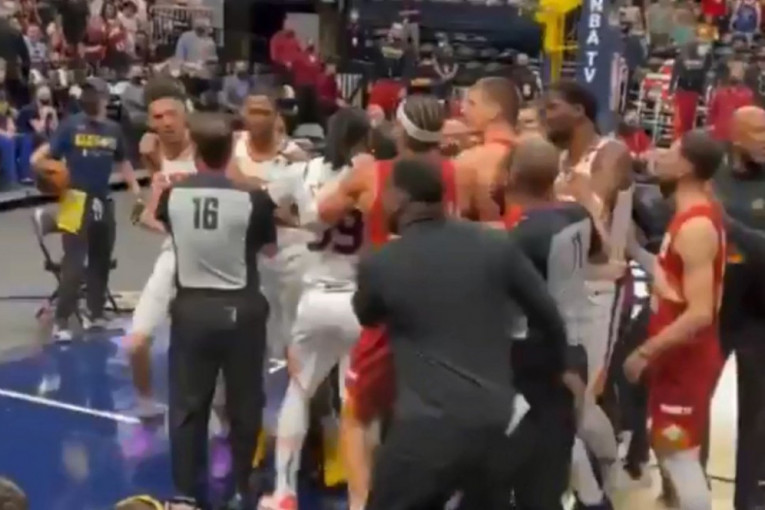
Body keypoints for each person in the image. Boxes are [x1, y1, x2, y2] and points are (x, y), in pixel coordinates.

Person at [352, 156, 567, 510]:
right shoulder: (496, 245)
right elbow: (550, 317)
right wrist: (555, 373)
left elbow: (366, 314)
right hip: (498, 428)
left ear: (397, 198)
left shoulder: (383, 262)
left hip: (425, 434)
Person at [316, 94, 459, 510]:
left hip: (388, 305)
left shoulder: (371, 173)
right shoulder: (460, 172)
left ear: (399, 130)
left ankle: (360, 502)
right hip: (441, 310)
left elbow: (324, 211)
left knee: (358, 414)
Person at [154, 112, 276, 509]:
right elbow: (269, 250)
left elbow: (168, 228)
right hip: (241, 310)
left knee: (188, 407)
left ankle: (186, 494)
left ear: (194, 149)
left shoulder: (173, 196)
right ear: (230, 151)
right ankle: (243, 487)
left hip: (192, 309)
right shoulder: (253, 198)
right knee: (245, 404)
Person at [260, 107, 372, 510]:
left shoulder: (302, 172)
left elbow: (261, 201)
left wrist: (294, 222)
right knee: (357, 404)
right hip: (359, 299)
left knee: (298, 390)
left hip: (315, 297)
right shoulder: (369, 174)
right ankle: (362, 496)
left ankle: (283, 490)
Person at [624, 129, 726, 510]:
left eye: (671, 151)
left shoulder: (696, 226)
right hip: (675, 356)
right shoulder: (689, 213)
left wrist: (645, 352)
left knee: (679, 455)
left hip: (686, 359)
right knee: (669, 448)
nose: (660, 154)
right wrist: (633, 249)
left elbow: (700, 312)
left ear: (686, 167)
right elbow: (674, 280)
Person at [543, 80, 634, 508]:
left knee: (579, 401)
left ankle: (605, 476)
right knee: (561, 396)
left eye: (552, 108)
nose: (544, 116)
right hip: (560, 284)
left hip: (600, 288)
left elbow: (596, 211)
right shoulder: (558, 159)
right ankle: (597, 483)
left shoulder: (611, 153)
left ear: (579, 110)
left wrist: (581, 195)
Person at [502, 134, 592, 509]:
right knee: (553, 466)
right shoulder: (577, 216)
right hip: (574, 347)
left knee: (526, 475)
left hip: (536, 360)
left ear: (510, 176)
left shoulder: (521, 238)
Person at [31, 77, 142, 342]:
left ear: (104, 97)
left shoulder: (114, 130)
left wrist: (136, 191)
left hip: (102, 198)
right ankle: (61, 321)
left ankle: (95, 314)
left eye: (95, 93)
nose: (90, 98)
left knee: (101, 259)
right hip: (73, 198)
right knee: (74, 262)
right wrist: (46, 173)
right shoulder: (71, 125)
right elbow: (43, 158)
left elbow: (124, 162)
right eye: (87, 93)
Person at [713, 106, 765, 510]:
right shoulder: (712, 173)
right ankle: (686, 490)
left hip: (760, 313)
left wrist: (726, 225)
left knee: (757, 417)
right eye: (758, 131)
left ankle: (748, 499)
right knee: (695, 405)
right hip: (713, 308)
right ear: (734, 135)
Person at [456, 76, 519, 221]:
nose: (463, 110)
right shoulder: (536, 154)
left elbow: (456, 217)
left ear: (494, 110)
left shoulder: (469, 160)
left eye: (472, 103)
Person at [707, 61, 754, 142]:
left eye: (738, 70)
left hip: (737, 137)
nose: (735, 73)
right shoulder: (720, 94)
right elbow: (712, 113)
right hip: (721, 136)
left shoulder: (748, 95)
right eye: (733, 69)